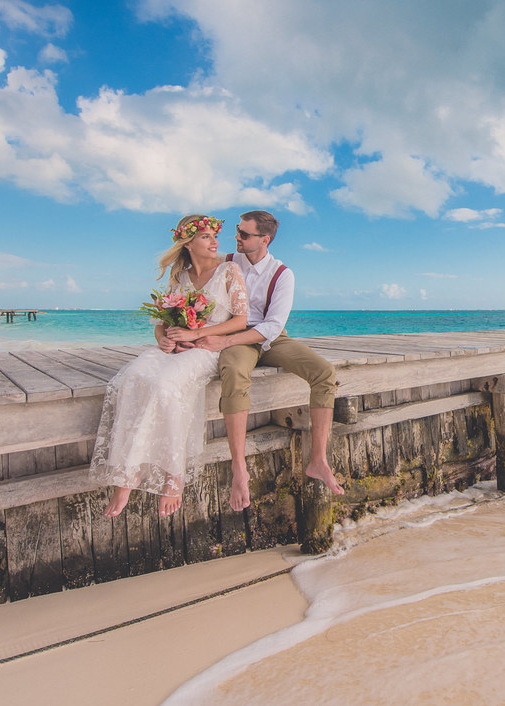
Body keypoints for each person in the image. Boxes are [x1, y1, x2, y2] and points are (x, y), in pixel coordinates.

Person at [89, 214, 249, 518]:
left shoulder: (230, 271)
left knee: (166, 386)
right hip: (175, 346)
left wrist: (195, 334)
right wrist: (164, 339)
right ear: (188, 243)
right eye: (206, 236)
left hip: (206, 348)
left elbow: (241, 321)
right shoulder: (179, 278)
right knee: (133, 377)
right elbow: (161, 325)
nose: (215, 241)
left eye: (215, 235)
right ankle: (128, 475)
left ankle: (173, 477)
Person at [192, 210, 344, 511]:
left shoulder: (282, 273)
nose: (236, 237)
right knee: (234, 371)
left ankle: (318, 460)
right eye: (237, 230)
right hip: (238, 336)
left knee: (324, 372)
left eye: (244, 234)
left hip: (270, 338)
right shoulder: (228, 261)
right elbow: (194, 268)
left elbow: (273, 327)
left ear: (265, 239)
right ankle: (239, 467)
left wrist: (224, 341)